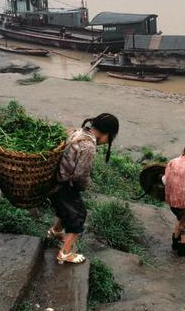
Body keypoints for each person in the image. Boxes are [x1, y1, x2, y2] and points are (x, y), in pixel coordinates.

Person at [47, 113, 119, 264]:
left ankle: (56, 231)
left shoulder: (78, 132)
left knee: (64, 208)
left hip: (54, 180)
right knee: (78, 214)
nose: (106, 142)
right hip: (65, 184)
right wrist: (84, 186)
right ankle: (65, 253)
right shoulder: (88, 146)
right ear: (107, 134)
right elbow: (80, 175)